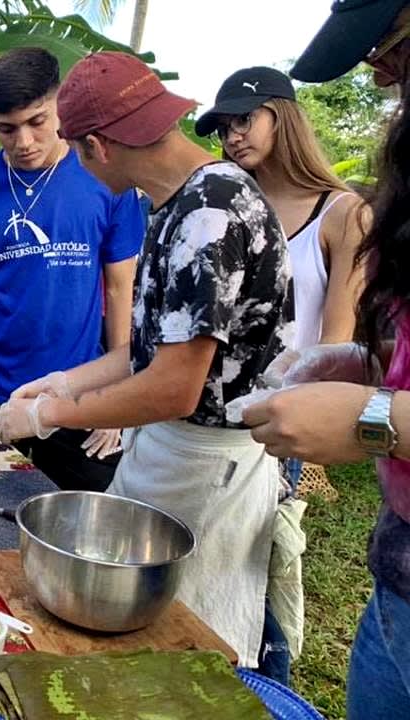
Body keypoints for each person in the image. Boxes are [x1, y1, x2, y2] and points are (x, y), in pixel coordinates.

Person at [0, 51, 293, 670]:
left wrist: (54, 412)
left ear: (98, 145)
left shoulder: (210, 212)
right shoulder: (175, 203)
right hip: (173, 451)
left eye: (76, 148)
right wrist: (64, 380)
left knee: (187, 647)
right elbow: (152, 350)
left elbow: (174, 387)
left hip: (210, 462)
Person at [241, 1, 410, 717]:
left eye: (394, 48)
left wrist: (373, 416)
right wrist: (368, 367)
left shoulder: (341, 211)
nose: (378, 78)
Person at [0, 47, 144, 491]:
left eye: (37, 122)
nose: (23, 141)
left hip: (79, 395)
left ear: (60, 104)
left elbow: (123, 288)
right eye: (7, 129)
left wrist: (118, 398)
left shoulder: (107, 179)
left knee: (80, 531)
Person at [196, 67, 367, 499]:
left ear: (282, 117)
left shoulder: (344, 214)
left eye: (244, 119)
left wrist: (304, 415)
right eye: (223, 128)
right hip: (204, 411)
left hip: (279, 412)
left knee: (258, 552)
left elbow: (335, 342)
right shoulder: (224, 206)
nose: (232, 136)